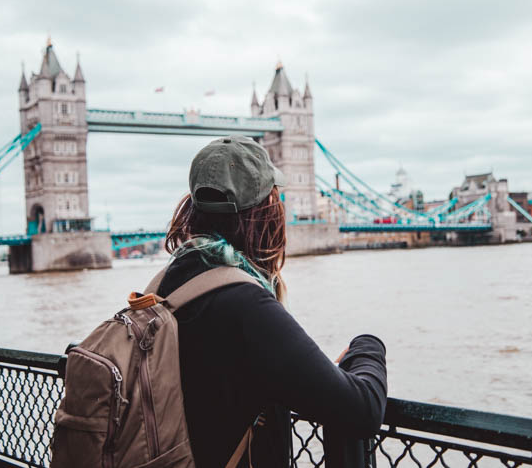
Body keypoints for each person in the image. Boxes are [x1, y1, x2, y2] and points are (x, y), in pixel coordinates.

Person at [155, 135, 387, 467]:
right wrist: (368, 347)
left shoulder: (167, 283)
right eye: (275, 197)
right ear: (264, 212)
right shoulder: (245, 304)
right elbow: (361, 410)